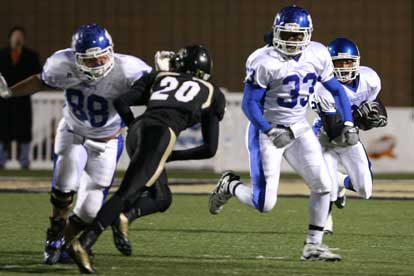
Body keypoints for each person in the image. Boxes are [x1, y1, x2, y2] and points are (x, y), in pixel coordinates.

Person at [208, 5, 358, 261]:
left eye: (298, 35)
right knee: (264, 203)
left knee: (324, 186)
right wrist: (270, 130)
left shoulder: (318, 53)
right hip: (267, 129)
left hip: (299, 126)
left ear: (308, 34)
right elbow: (249, 104)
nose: (292, 40)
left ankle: (313, 246)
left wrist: (348, 123)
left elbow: (336, 90)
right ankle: (229, 185)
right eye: (287, 35)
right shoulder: (263, 60)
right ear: (277, 33)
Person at [66, 45, 226, 274]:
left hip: (138, 129)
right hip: (160, 135)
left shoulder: (159, 76)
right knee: (125, 194)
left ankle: (123, 218)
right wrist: (171, 156)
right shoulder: (213, 92)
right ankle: (84, 242)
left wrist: (133, 126)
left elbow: (122, 102)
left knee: (162, 197)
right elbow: (210, 149)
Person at [0, 24, 152, 264]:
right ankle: (52, 241)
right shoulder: (62, 63)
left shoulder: (129, 68)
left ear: (111, 51)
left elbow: (159, 88)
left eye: (102, 56)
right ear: (77, 58)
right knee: (64, 190)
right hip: (73, 132)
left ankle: (64, 243)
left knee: (90, 210)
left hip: (108, 140)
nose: (99, 63)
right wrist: (9, 92)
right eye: (91, 60)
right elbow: (40, 81)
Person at [309, 38, 387, 234]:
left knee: (365, 190)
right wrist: (357, 117)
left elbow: (373, 106)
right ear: (329, 64)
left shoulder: (369, 78)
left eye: (348, 62)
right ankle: (324, 223)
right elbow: (335, 127)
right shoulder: (322, 88)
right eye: (338, 63)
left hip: (350, 137)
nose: (344, 67)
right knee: (325, 184)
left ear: (357, 61)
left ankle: (342, 182)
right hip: (325, 136)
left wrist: (374, 115)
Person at [0, 26, 41, 169]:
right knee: (2, 129)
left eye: (20, 36)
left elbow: (37, 76)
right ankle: (1, 160)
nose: (18, 38)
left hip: (22, 99)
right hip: (4, 101)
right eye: (15, 36)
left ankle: (24, 160)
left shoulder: (31, 56)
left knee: (23, 130)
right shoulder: (2, 54)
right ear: (10, 38)